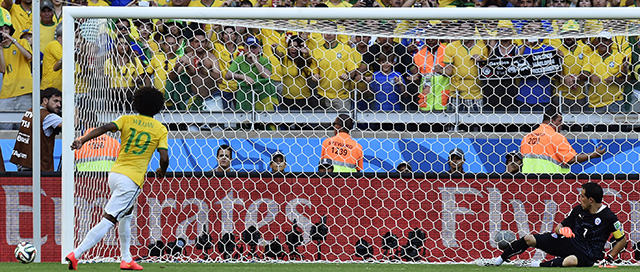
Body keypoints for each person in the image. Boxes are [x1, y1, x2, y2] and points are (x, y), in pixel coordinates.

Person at [65, 86, 169, 271]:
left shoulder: (126, 119)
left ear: (136, 103)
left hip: (115, 174)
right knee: (109, 219)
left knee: (126, 216)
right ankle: (76, 254)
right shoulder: (160, 128)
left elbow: (105, 127)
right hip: (132, 180)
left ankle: (126, 258)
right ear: (158, 107)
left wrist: (82, 140)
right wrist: (161, 170)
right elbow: (164, 157)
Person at [477, 182, 627, 268]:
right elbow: (558, 227)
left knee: (570, 261)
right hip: (568, 243)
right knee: (529, 238)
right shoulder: (578, 210)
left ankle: (533, 265)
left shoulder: (609, 217)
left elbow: (622, 240)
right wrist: (563, 230)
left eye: (582, 196)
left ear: (591, 200)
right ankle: (497, 262)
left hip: (587, 255)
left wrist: (610, 257)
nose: (580, 199)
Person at [520, 108, 606, 174]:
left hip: (528, 181)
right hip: (552, 181)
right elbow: (571, 159)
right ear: (552, 121)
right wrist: (593, 155)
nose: (562, 124)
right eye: (560, 121)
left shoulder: (526, 138)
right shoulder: (555, 137)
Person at [9, 88, 62, 172]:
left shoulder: (30, 111)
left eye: (60, 102)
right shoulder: (49, 117)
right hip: (39, 166)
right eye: (55, 101)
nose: (59, 105)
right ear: (45, 100)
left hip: (22, 161)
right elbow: (68, 126)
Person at [0, 8, 33, 130]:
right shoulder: (0, 49)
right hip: (7, 93)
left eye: (6, 29)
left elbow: (29, 56)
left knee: (25, 128)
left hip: (24, 92)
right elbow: (2, 69)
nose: (4, 33)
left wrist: (13, 40)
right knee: (5, 128)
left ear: (10, 30)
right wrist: (0, 49)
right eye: (1, 30)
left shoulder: (22, 42)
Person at [42, 23, 63, 91]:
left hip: (57, 87)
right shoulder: (54, 44)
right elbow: (68, 60)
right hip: (50, 87)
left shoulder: (63, 47)